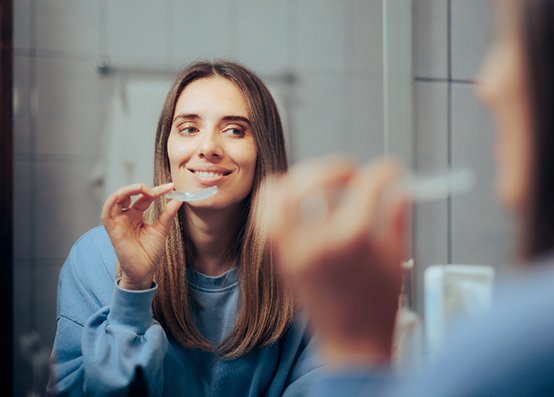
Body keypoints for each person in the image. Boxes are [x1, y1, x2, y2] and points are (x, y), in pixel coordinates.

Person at [266, 0, 554, 395]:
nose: (487, 85)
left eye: (510, 40)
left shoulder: (520, 345)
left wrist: (354, 348)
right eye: (188, 127)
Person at [47, 60, 320, 396]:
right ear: (167, 147)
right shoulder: (96, 258)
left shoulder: (309, 267)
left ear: (264, 149)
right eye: (189, 128)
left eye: (234, 130)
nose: (207, 148)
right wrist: (133, 289)